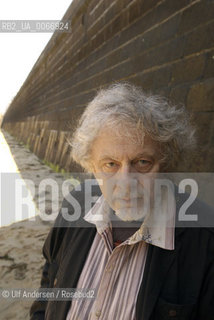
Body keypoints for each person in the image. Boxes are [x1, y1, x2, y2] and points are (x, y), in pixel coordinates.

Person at [30, 82, 214, 320]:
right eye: (110, 164)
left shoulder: (205, 240)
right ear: (92, 167)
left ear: (166, 163)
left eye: (142, 163)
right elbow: (51, 273)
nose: (126, 182)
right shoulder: (75, 205)